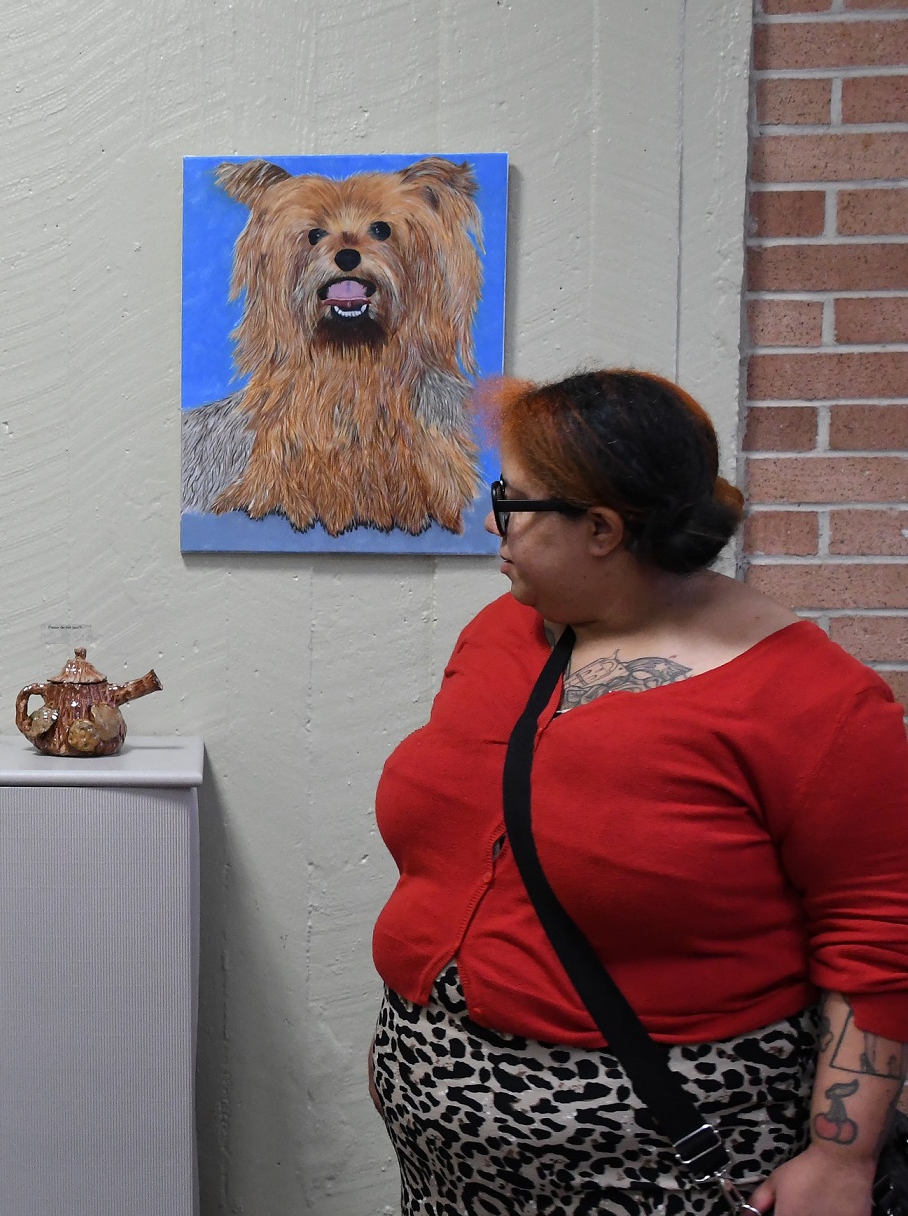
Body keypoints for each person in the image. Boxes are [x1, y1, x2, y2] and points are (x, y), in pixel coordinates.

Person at [370, 368, 908, 1216]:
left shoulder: (818, 702)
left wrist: (841, 1160)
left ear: (601, 529)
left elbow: (875, 937)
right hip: (443, 1149)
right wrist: (417, 1052)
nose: (490, 520)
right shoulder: (502, 634)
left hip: (662, 1156)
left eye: (511, 501)